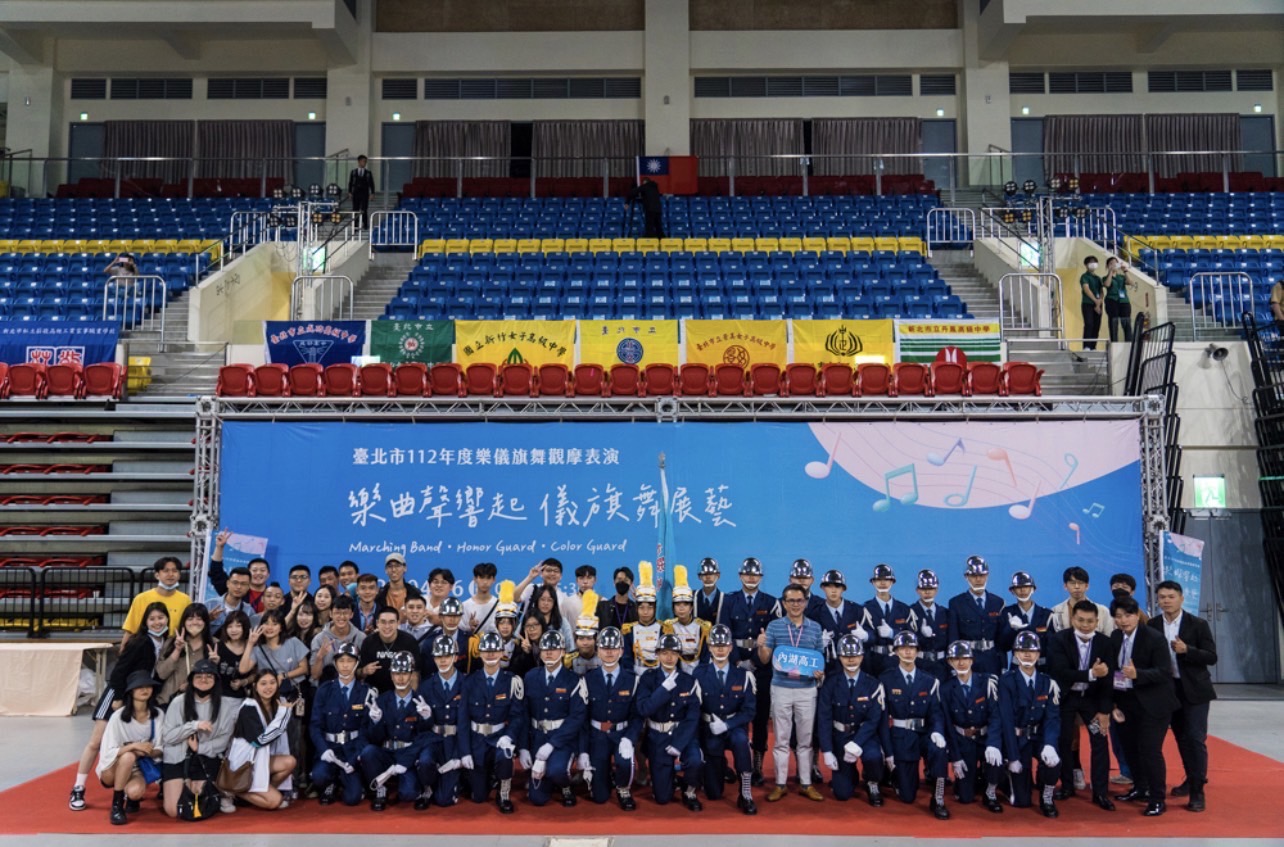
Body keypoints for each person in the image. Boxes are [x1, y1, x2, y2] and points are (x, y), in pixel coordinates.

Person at [70, 601, 169, 812]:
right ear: (145, 622)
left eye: (161, 618)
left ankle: (129, 785)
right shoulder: (139, 642)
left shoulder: (166, 642)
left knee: (134, 741)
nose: (157, 622)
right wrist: (118, 697)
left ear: (168, 619)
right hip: (119, 692)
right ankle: (78, 787)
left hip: (141, 694)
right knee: (96, 741)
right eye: (152, 619)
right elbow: (119, 670)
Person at [1150, 580, 1217, 812]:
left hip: (1194, 690)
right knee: (1181, 738)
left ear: (1181, 598)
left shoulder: (1197, 624)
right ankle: (1191, 778)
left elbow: (1211, 657)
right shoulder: (1152, 625)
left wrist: (1188, 650)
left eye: (1171, 596)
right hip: (1167, 690)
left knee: (1195, 738)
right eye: (1162, 597)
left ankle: (1198, 790)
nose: (1166, 601)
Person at [1110, 594, 1179, 816]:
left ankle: (1158, 798)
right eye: (1118, 616)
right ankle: (1140, 788)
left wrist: (1137, 674)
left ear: (1137, 615)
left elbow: (1164, 672)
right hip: (1125, 701)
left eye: (1128, 615)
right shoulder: (1114, 637)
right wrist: (1113, 704)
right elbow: (1112, 672)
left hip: (1153, 703)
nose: (1123, 620)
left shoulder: (1154, 638)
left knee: (1150, 750)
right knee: (1129, 748)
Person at [758, 583, 825, 803]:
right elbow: (765, 660)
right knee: (781, 739)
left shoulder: (815, 628)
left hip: (807, 690)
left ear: (806, 602)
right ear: (784, 603)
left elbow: (819, 660)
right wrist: (761, 646)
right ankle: (780, 784)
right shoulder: (774, 626)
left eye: (800, 600)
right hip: (781, 688)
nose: (796, 605)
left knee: (805, 740)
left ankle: (806, 783)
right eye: (791, 601)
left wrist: (820, 673)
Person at [1046, 599, 1116, 810]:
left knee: (1100, 741)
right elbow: (1059, 672)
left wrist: (1104, 710)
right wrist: (1091, 674)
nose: (1085, 625)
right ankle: (1067, 786)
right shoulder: (1059, 640)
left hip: (1092, 700)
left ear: (1097, 621)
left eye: (1090, 621)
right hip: (1066, 698)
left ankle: (1100, 792)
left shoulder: (1106, 643)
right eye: (1081, 620)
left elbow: (1108, 680)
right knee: (1064, 741)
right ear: (1073, 619)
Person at [878, 631, 950, 819]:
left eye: (911, 648)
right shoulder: (886, 680)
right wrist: (887, 752)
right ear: (896, 652)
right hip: (901, 736)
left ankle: (938, 798)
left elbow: (936, 712)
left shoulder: (929, 680)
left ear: (917, 651)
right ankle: (894, 776)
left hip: (924, 733)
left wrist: (937, 732)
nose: (908, 652)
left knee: (939, 750)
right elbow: (883, 718)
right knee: (907, 796)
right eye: (903, 648)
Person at [721, 556, 780, 785]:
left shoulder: (771, 602)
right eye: (747, 574)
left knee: (761, 715)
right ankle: (734, 762)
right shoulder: (729, 600)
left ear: (761, 577)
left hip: (761, 667)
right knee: (735, 713)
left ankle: (757, 764)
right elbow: (724, 633)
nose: (751, 578)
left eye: (755, 574)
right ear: (739, 576)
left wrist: (754, 662)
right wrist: (737, 662)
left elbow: (772, 637)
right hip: (735, 665)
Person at [459, 631, 527, 813]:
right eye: (486, 651)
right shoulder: (469, 682)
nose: (490, 654)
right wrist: (465, 752)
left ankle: (503, 791)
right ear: (480, 653)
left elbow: (517, 716)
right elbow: (463, 719)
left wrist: (509, 736)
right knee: (478, 797)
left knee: (505, 756)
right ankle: (488, 777)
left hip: (499, 738)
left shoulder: (511, 681)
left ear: (501, 652)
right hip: (477, 740)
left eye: (495, 650)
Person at [996, 630, 1062, 817]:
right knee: (1021, 801)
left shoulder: (1047, 683)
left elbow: (1052, 718)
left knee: (1053, 761)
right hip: (1017, 740)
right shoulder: (1007, 682)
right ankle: (1005, 777)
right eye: (1022, 651)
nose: (1027, 655)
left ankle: (1046, 796)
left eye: (1032, 651)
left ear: (1039, 654)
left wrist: (1050, 744)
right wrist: (1013, 756)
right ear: (1015, 654)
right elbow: (1006, 720)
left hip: (1038, 737)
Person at [636, 633, 704, 810]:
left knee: (694, 760)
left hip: (683, 735)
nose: (669, 657)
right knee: (662, 798)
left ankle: (689, 790)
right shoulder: (648, 679)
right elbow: (644, 709)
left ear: (679, 655)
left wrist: (679, 743)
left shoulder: (688, 681)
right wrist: (663, 690)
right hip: (658, 737)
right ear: (657, 654)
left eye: (673, 653)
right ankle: (670, 779)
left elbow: (692, 717)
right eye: (665, 653)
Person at [160, 659, 236, 818]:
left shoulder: (225, 705)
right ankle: (166, 786)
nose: (204, 679)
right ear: (191, 680)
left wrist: (199, 748)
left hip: (206, 757)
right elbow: (168, 736)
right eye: (199, 676)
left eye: (209, 676)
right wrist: (194, 726)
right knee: (174, 810)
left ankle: (220, 791)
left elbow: (224, 740)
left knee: (202, 803)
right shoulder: (178, 702)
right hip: (177, 756)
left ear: (216, 680)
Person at [694, 623, 757, 814]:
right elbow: (694, 708)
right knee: (713, 793)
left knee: (741, 741)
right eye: (716, 645)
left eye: (724, 645)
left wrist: (728, 724)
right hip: (710, 729)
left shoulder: (743, 676)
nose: (720, 649)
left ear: (730, 647)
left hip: (733, 726)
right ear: (709, 647)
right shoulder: (699, 674)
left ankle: (745, 792)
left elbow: (749, 711)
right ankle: (717, 768)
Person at [360, 651, 434, 811]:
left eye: (405, 673)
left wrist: (427, 718)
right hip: (387, 752)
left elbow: (425, 737)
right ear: (391, 676)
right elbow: (374, 738)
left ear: (411, 675)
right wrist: (376, 722)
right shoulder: (381, 700)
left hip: (408, 754)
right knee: (368, 752)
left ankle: (418, 785)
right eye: (396, 673)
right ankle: (381, 789)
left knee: (408, 794)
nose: (401, 678)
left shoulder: (420, 701)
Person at [817, 633, 886, 806]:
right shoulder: (830, 684)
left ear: (862, 657)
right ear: (840, 658)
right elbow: (824, 718)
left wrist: (857, 743)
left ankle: (872, 781)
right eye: (846, 656)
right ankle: (850, 775)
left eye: (855, 656)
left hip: (865, 736)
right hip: (840, 736)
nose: (851, 660)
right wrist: (827, 750)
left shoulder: (873, 684)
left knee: (873, 756)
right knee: (842, 794)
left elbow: (873, 720)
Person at [521, 630, 587, 807]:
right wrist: (523, 747)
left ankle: (565, 785)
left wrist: (552, 744)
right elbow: (524, 714)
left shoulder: (573, 680)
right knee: (537, 799)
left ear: (563, 651)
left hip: (562, 739)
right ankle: (549, 780)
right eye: (545, 649)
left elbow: (576, 718)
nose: (549, 652)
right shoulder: (530, 677)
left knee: (556, 771)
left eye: (554, 649)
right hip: (537, 736)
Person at [581, 626, 642, 810]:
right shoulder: (587, 679)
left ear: (621, 651)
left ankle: (623, 788)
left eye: (614, 648)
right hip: (597, 736)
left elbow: (637, 716)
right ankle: (604, 776)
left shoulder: (632, 680)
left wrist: (629, 739)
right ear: (598, 651)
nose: (609, 652)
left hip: (621, 734)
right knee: (599, 797)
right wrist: (583, 750)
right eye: (605, 648)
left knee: (624, 762)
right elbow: (582, 718)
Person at [940, 641, 1003, 813]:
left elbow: (995, 716)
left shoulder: (987, 682)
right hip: (963, 741)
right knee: (965, 797)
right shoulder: (946, 689)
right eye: (956, 659)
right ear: (950, 662)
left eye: (965, 658)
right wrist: (955, 757)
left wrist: (993, 744)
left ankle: (990, 791)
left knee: (996, 759)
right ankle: (972, 780)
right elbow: (948, 725)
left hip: (984, 738)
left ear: (972, 660)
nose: (961, 662)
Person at [96, 671, 164, 825]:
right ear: (131, 691)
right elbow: (107, 752)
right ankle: (117, 805)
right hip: (113, 767)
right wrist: (134, 747)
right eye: (139, 687)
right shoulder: (118, 717)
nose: (144, 690)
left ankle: (131, 797)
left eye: (148, 686)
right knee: (128, 757)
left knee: (135, 792)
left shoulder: (158, 715)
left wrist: (147, 751)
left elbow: (160, 748)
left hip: (139, 767)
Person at [309, 642, 370, 807]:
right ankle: (332, 782)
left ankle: (345, 780)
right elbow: (315, 725)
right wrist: (323, 749)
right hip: (330, 748)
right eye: (341, 661)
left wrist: (355, 757)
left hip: (352, 749)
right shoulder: (324, 690)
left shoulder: (366, 691)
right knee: (319, 776)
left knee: (353, 798)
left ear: (357, 663)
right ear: (335, 663)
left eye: (350, 661)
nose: (345, 665)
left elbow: (365, 729)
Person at [226, 669, 297, 810]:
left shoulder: (276, 704)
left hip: (260, 759)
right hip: (244, 763)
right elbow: (260, 741)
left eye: (272, 682)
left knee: (290, 762)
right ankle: (233, 789)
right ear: (255, 686)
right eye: (263, 683)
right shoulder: (249, 707)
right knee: (275, 802)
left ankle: (260, 792)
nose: (268, 687)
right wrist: (283, 714)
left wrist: (282, 712)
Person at [418, 635, 467, 807]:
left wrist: (461, 753)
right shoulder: (426, 686)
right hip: (434, 739)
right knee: (425, 762)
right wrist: (426, 717)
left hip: (456, 741)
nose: (443, 660)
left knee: (444, 800)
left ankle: (459, 780)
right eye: (439, 656)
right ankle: (427, 786)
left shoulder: (466, 683)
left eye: (447, 656)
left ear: (455, 657)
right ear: (434, 659)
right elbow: (421, 727)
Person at [947, 556, 1005, 675]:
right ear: (966, 577)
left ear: (987, 575)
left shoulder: (997, 602)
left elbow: (1000, 640)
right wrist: (954, 666)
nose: (978, 579)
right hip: (967, 659)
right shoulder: (956, 603)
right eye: (973, 576)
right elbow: (953, 637)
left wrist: (1003, 665)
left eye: (982, 575)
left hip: (992, 660)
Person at [120, 556, 190, 646]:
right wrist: (123, 651)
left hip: (174, 646)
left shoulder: (185, 600)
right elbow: (130, 630)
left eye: (175, 571)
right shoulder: (141, 598)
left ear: (179, 575)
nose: (171, 574)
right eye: (166, 571)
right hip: (145, 646)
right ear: (157, 575)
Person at [811, 569, 868, 676]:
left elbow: (873, 636)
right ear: (823, 588)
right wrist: (819, 644)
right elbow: (807, 643)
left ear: (843, 588)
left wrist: (865, 636)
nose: (833, 590)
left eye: (837, 586)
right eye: (829, 586)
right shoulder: (814, 614)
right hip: (827, 669)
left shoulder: (857, 610)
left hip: (855, 667)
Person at [156, 603, 214, 705]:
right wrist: (177, 650)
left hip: (200, 703)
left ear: (206, 622)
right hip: (169, 701)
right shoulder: (171, 642)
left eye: (199, 619)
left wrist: (214, 664)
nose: (194, 622)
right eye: (190, 619)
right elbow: (162, 674)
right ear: (184, 622)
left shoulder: (214, 645)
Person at [358, 608, 427, 693]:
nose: (387, 626)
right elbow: (358, 673)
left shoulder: (409, 642)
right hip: (374, 692)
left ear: (398, 623)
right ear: (377, 623)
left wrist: (411, 697)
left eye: (391, 622)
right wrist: (364, 671)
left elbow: (415, 674)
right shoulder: (368, 642)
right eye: (383, 622)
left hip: (401, 693)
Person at [861, 563, 911, 678]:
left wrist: (892, 633)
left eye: (886, 579)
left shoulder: (904, 609)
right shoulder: (865, 609)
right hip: (873, 661)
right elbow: (866, 633)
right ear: (873, 582)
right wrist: (866, 636)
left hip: (899, 660)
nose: (883, 583)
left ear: (892, 582)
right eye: (878, 580)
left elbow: (911, 636)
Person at [997, 571, 1055, 670]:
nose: (1023, 590)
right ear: (1012, 591)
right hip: (1017, 668)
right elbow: (1002, 646)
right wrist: (1010, 628)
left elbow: (1052, 647)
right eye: (1018, 587)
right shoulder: (1007, 613)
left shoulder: (1047, 615)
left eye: (1026, 587)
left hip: (1042, 668)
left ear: (1033, 589)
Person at [661, 566, 711, 674]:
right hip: (676, 672)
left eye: (685, 604)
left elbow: (705, 656)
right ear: (673, 607)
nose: (681, 608)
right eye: (678, 604)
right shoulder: (669, 627)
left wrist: (700, 674)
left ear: (691, 607)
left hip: (700, 671)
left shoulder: (702, 627)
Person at [309, 594, 366, 682]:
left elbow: (363, 673)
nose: (341, 617)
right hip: (326, 686)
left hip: (353, 685)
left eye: (345, 613)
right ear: (330, 614)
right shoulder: (319, 639)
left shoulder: (361, 638)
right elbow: (315, 675)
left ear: (351, 614)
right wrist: (320, 657)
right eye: (337, 613)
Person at [909, 569, 951, 681]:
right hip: (920, 665)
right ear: (917, 590)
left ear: (936, 590)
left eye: (931, 588)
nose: (927, 592)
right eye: (923, 589)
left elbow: (950, 640)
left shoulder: (945, 613)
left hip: (942, 666)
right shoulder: (910, 612)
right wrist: (920, 635)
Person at [622, 562, 662, 672]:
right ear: (636, 608)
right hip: (636, 675)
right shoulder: (629, 630)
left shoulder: (664, 629)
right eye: (641, 608)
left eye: (649, 608)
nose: (645, 612)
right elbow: (627, 660)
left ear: (655, 608)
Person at [1051, 566, 1113, 635]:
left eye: (1080, 583)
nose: (1077, 587)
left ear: (1087, 586)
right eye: (1072, 583)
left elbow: (1109, 637)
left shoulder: (1103, 611)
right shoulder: (1055, 611)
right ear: (1065, 586)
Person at [211, 609, 254, 698]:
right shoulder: (217, 647)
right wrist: (213, 663)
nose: (233, 630)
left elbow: (256, 674)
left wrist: (244, 682)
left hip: (240, 698)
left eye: (238, 626)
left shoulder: (251, 647)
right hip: (217, 696)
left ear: (245, 627)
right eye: (230, 626)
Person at [375, 552, 423, 620]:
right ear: (386, 570)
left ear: (405, 568)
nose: (394, 570)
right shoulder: (380, 595)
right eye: (390, 566)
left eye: (397, 566)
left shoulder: (415, 593)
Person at [208, 566, 251, 635]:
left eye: (243, 584)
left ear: (248, 587)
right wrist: (207, 619)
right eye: (235, 583)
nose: (239, 587)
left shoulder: (249, 611)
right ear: (228, 583)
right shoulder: (209, 605)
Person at [462, 561, 499, 634]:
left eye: (488, 578)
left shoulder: (499, 605)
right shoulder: (465, 606)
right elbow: (460, 633)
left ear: (494, 580)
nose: (485, 582)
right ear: (475, 579)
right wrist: (469, 627)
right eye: (481, 577)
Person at [1103, 256, 1134, 342]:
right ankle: (1114, 342)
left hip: (1124, 301)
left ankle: (1129, 341)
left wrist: (1125, 270)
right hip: (1112, 301)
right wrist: (1110, 272)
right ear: (1107, 266)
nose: (1114, 265)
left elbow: (1131, 282)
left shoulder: (1121, 277)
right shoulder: (1105, 278)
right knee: (1113, 322)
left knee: (1126, 322)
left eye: (1115, 263)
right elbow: (1107, 284)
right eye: (1111, 263)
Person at [1080, 254, 1105, 351]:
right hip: (1088, 303)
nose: (1093, 264)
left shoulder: (1098, 278)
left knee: (1096, 325)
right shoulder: (1084, 276)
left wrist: (1099, 302)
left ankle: (1093, 346)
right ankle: (1086, 346)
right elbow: (1086, 289)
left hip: (1098, 304)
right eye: (1091, 262)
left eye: (1095, 262)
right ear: (1086, 265)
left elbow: (1101, 291)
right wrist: (1095, 300)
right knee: (1089, 324)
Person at [347, 154, 375, 229]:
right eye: (363, 161)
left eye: (365, 162)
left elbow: (371, 183)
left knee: (364, 209)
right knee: (355, 209)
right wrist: (350, 192)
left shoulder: (368, 173)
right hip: (356, 193)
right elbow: (350, 182)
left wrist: (372, 193)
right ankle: (355, 225)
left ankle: (365, 224)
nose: (364, 163)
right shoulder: (353, 172)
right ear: (359, 162)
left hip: (364, 193)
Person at [694, 558, 724, 625]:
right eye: (704, 574)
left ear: (718, 575)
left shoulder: (725, 600)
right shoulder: (692, 598)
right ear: (699, 576)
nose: (708, 577)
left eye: (711, 574)